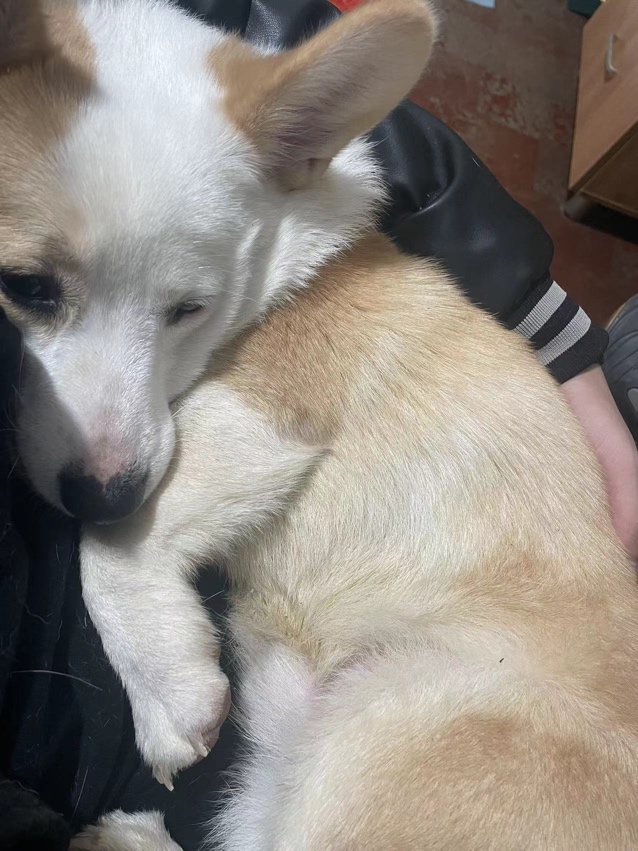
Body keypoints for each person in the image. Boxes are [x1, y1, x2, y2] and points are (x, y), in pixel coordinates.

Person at [0, 1, 636, 848]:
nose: (106, 455)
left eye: (185, 308)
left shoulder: (284, 239)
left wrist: (125, 567)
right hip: (332, 686)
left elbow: (283, 417)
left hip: (523, 689)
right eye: (33, 290)